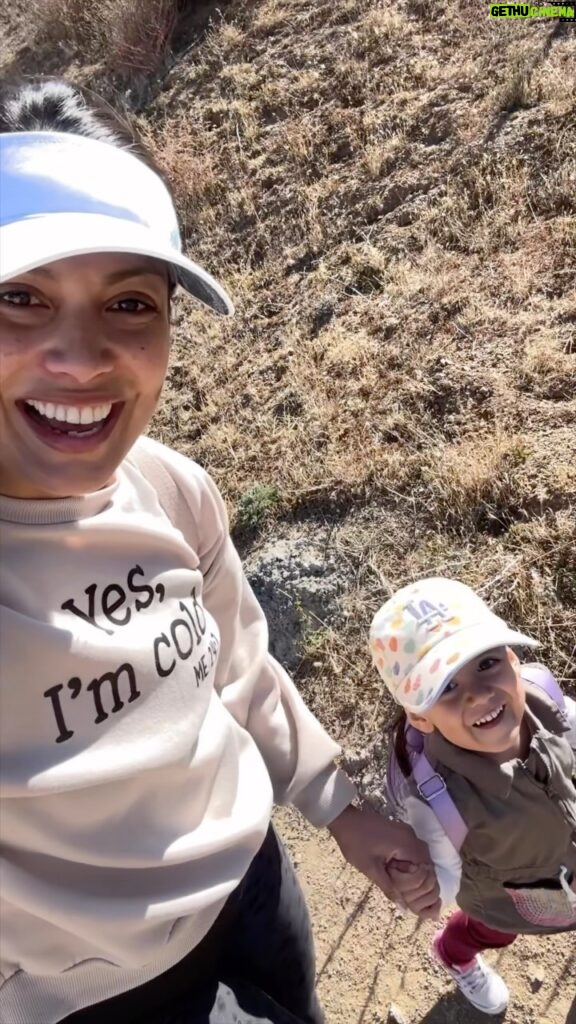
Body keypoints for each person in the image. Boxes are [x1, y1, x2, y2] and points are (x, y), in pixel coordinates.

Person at [0, 79, 439, 1024]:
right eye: (19, 296)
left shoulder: (169, 485)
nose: (81, 359)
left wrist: (338, 806)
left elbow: (236, 663)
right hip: (94, 998)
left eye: (128, 302)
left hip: (254, 888)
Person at [369, 577, 576, 1017]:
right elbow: (446, 879)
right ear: (420, 719)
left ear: (514, 659)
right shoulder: (437, 797)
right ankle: (452, 952)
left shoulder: (553, 705)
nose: (479, 694)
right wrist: (420, 886)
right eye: (446, 687)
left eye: (486, 663)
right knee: (491, 930)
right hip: (507, 897)